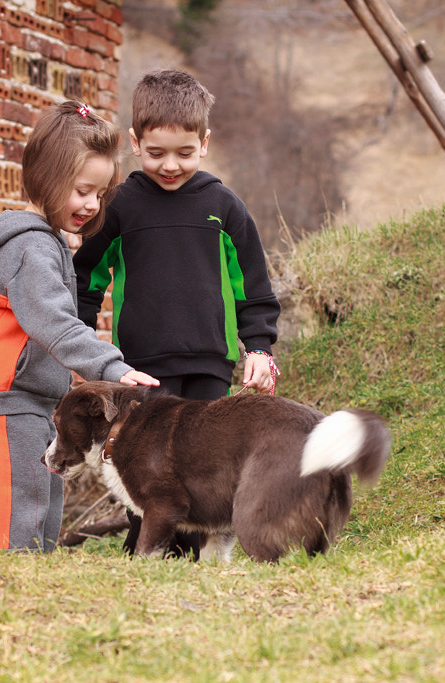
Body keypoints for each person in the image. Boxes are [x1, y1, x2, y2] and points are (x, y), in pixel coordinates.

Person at [73, 69, 282, 559]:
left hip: (211, 361)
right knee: (139, 459)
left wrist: (258, 347)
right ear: (134, 142)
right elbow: (86, 282)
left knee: (202, 461)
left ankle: (191, 552)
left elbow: (254, 288)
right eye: (155, 152)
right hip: (140, 368)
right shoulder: (119, 206)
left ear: (205, 143)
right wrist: (81, 348)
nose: (170, 165)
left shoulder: (224, 207)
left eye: (184, 153)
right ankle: (145, 547)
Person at [0, 100, 159, 552]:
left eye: (100, 194)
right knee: (13, 506)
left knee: (42, 498)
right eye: (83, 190)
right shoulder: (31, 248)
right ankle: (3, 591)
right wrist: (110, 367)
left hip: (30, 395)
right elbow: (54, 321)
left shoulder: (50, 244)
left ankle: (36, 586)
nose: (91, 204)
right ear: (46, 178)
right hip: (5, 394)